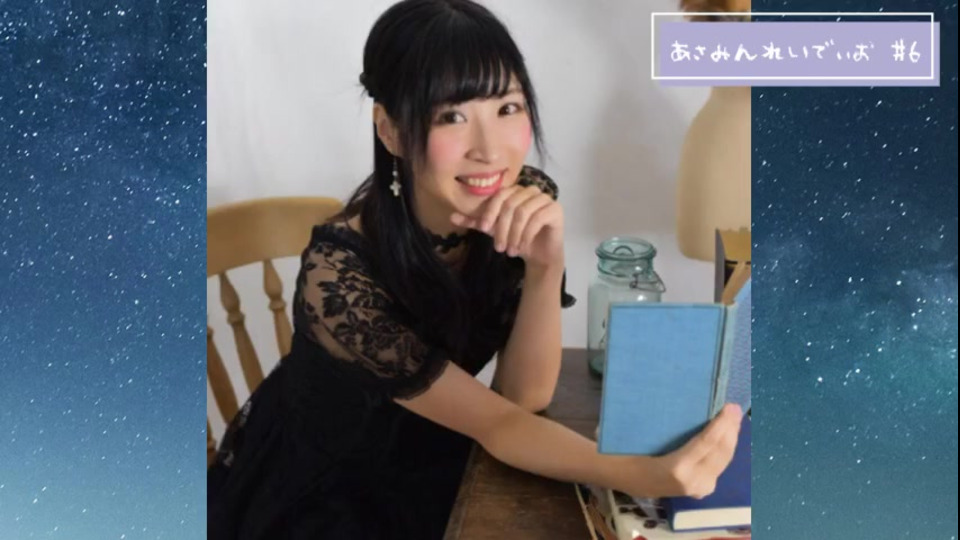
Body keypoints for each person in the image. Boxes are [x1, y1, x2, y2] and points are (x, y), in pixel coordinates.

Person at [207, 1, 742, 538]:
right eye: (451, 116)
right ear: (391, 130)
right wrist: (644, 474)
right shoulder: (340, 280)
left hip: (450, 448)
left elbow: (522, 399)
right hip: (327, 491)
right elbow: (500, 422)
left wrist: (546, 265)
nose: (490, 150)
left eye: (507, 107)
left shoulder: (521, 201)